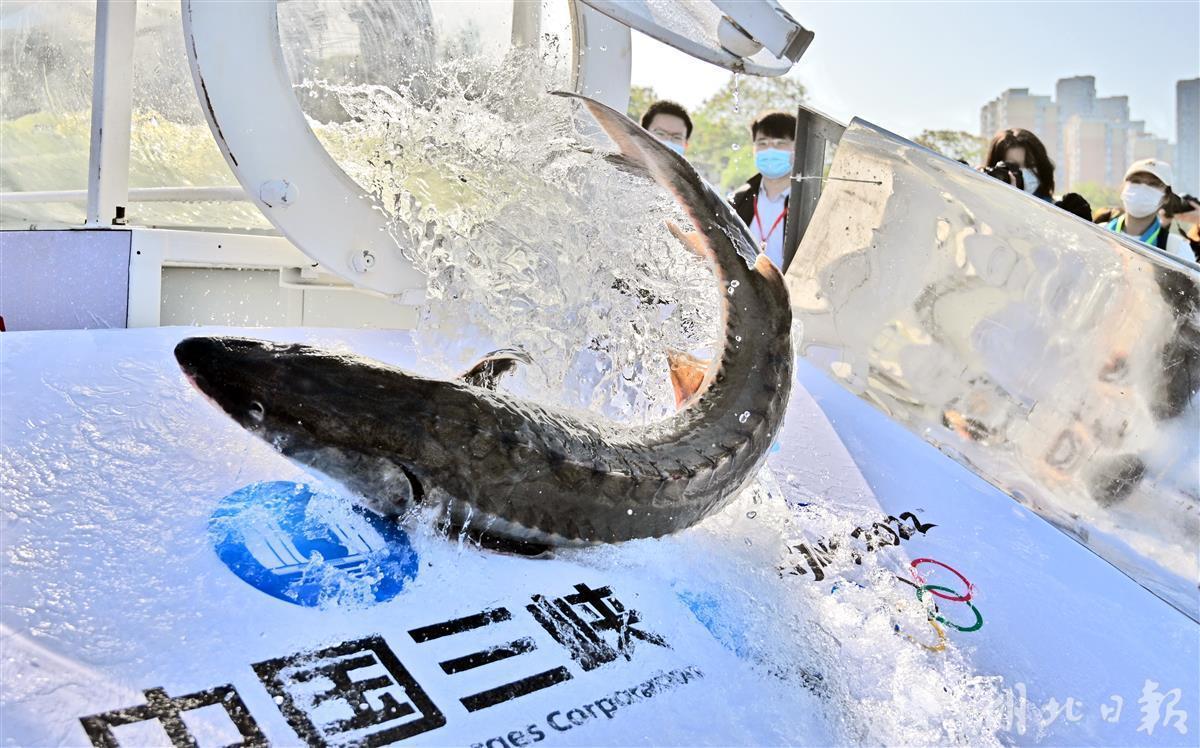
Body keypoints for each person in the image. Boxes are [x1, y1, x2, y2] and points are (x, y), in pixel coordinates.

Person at [729, 111, 797, 270]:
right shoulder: (737, 200)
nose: (770, 150)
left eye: (780, 143)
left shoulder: (809, 205)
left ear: (797, 149)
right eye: (762, 143)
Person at [1105, 158, 1193, 261]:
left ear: (1166, 197)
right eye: (1136, 181)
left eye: (1153, 184)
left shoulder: (1177, 249)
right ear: (1124, 187)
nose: (1142, 188)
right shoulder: (1097, 232)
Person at [980, 128, 1056, 202]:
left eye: (1030, 165)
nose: (1023, 173)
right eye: (1013, 166)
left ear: (1042, 166)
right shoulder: (984, 203)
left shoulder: (1054, 208)